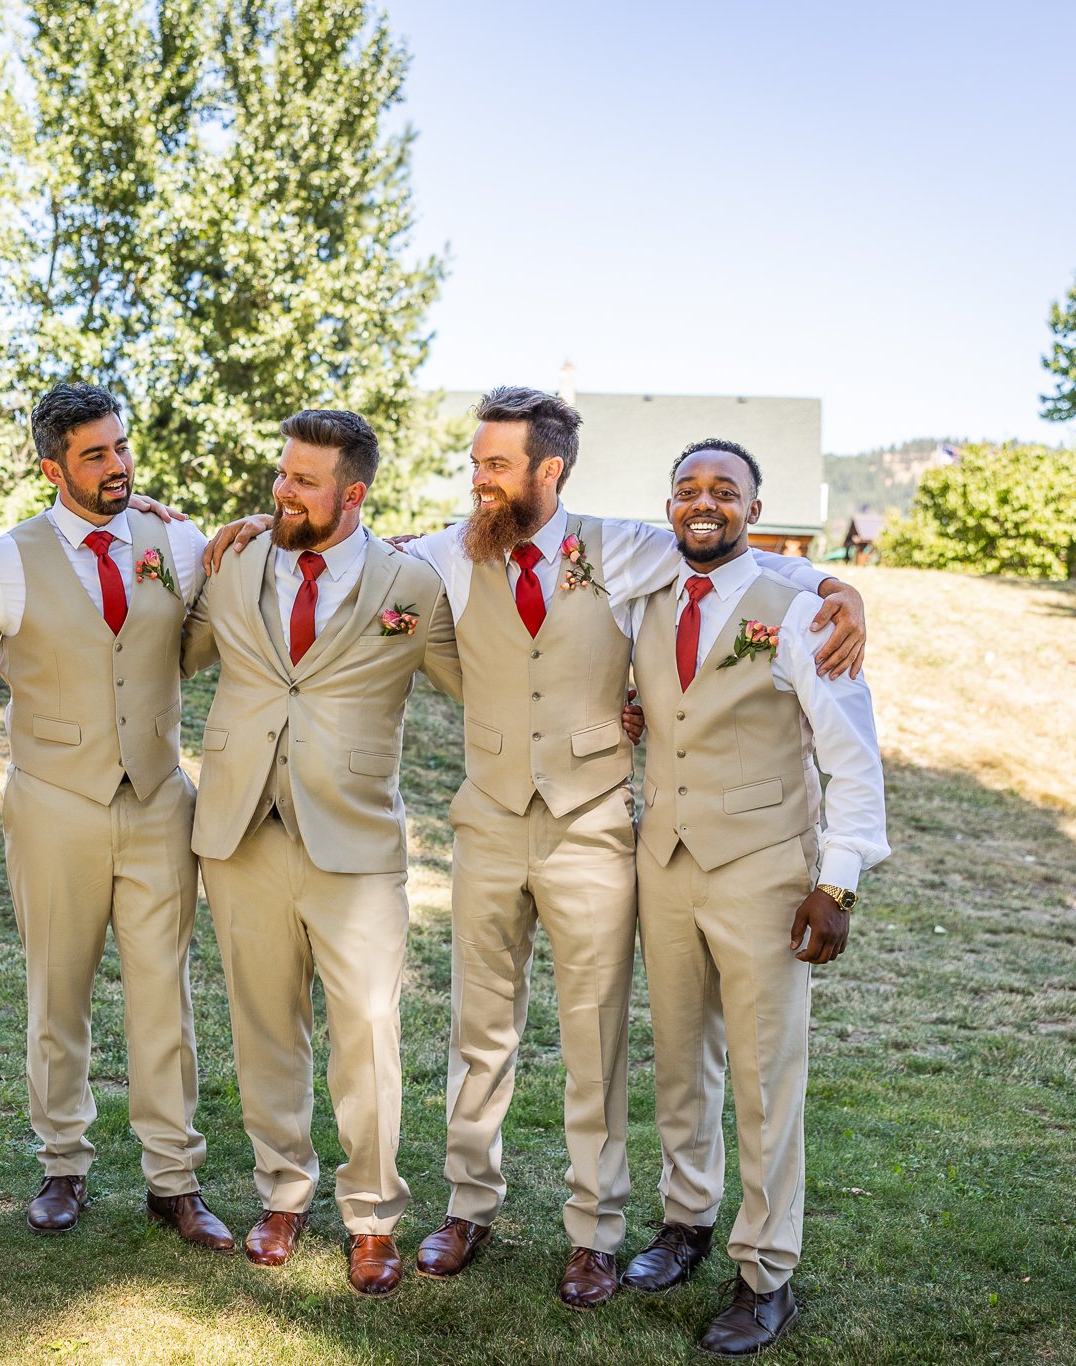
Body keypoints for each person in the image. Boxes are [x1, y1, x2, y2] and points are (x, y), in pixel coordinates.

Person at [398, 389, 864, 1307]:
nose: (479, 479)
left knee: (598, 1037)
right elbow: (361, 553)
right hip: (491, 819)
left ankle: (598, 1233)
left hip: (598, 827)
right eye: (476, 462)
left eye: (496, 464)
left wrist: (836, 586)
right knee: (481, 1030)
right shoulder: (453, 548)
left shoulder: (620, 548)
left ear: (548, 471)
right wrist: (237, 523)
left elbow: (732, 557)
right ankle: (470, 1205)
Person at [182, 410, 460, 1296]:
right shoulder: (233, 561)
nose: (282, 491)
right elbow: (176, 649)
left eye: (304, 481)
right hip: (241, 833)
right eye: (283, 473)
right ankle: (282, 1191)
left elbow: (484, 680)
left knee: (368, 1033)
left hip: (357, 840)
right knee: (264, 1025)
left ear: (355, 494)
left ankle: (372, 1214)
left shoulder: (412, 583)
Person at [624, 439, 888, 1357]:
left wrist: (836, 882)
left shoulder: (803, 610)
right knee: (678, 1058)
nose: (704, 503)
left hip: (767, 869)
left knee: (765, 1076)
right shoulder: (645, 593)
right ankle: (685, 1222)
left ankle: (767, 1273)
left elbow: (852, 757)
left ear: (755, 509)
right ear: (669, 502)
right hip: (664, 861)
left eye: (724, 491)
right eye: (687, 488)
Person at [0, 383, 233, 1250]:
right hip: (53, 805)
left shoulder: (175, 541)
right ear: (53, 469)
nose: (117, 466)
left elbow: (238, 589)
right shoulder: (5, 562)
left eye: (120, 447)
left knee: (165, 997)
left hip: (158, 800)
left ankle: (174, 1179)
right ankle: (63, 1166)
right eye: (95, 455)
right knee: (58, 991)